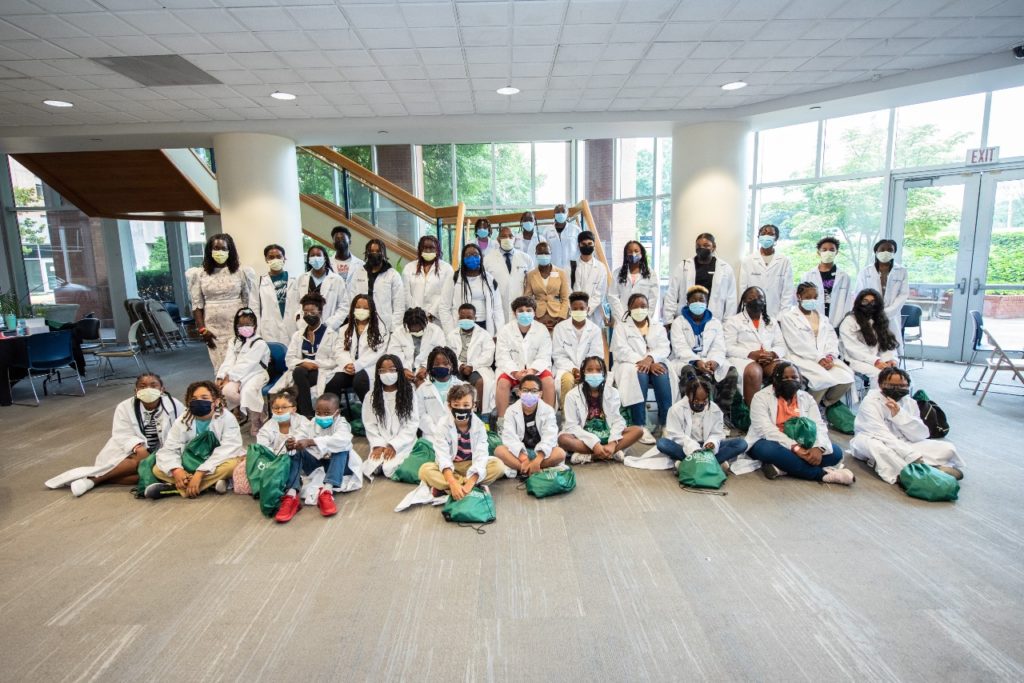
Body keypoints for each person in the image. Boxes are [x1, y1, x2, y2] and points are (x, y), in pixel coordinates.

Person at [45, 373, 183, 496]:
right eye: (143, 386)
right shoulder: (124, 407)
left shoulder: (175, 405)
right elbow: (121, 433)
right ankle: (94, 480)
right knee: (139, 462)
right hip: (134, 452)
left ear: (162, 389)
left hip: (161, 450)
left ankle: (100, 479)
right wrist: (137, 447)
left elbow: (182, 430)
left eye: (153, 385)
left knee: (151, 473)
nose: (148, 389)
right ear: (136, 391)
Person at [850, 367, 963, 484]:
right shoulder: (870, 402)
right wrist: (912, 456)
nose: (897, 389)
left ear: (908, 385)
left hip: (905, 442)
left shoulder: (909, 402)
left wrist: (899, 415)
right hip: (874, 439)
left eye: (901, 386)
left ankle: (921, 468)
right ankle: (918, 471)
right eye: (891, 386)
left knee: (947, 448)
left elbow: (921, 434)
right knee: (879, 449)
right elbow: (881, 434)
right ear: (880, 385)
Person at [746, 363, 854, 485]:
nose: (790, 381)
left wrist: (818, 447)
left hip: (802, 442)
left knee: (836, 452)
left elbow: (818, 424)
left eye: (794, 377)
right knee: (768, 450)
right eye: (785, 378)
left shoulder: (806, 397)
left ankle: (784, 467)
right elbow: (765, 430)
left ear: (800, 379)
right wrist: (795, 448)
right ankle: (822, 475)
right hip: (771, 441)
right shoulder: (761, 397)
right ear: (776, 379)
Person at [147, 380, 246, 498]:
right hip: (191, 461)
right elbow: (169, 448)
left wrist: (200, 473)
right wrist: (177, 470)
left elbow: (228, 449)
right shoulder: (183, 420)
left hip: (215, 462)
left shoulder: (227, 418)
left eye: (204, 398)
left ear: (216, 402)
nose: (199, 401)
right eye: (194, 399)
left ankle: (177, 488)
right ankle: (210, 484)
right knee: (157, 469)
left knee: (232, 466)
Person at [419, 384, 506, 498]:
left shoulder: (479, 425)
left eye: (466, 405)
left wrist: (470, 482)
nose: (461, 409)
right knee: (424, 470)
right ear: (449, 406)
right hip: (452, 466)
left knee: (498, 466)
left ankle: (449, 489)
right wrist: (452, 482)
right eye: (456, 405)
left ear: (473, 406)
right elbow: (443, 457)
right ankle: (468, 487)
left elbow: (481, 455)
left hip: (471, 464)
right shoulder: (443, 424)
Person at [779, 282, 855, 409]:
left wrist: (830, 356)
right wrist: (819, 358)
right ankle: (807, 410)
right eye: (808, 297)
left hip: (826, 358)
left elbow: (832, 339)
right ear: (798, 296)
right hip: (801, 357)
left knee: (847, 378)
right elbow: (796, 344)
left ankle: (823, 405)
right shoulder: (789, 317)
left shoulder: (823, 318)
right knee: (822, 379)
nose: (812, 300)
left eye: (815, 297)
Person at [186, 232, 256, 369]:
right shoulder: (199, 274)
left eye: (224, 249)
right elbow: (197, 305)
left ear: (230, 251)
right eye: (216, 249)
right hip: (212, 329)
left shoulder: (241, 272)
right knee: (220, 367)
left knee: (240, 365)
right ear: (209, 251)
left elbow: (248, 302)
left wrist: (249, 327)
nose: (220, 252)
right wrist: (202, 329)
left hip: (237, 326)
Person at [610, 293, 672, 444]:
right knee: (640, 373)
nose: (640, 309)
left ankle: (666, 424)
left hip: (655, 362)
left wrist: (650, 359)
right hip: (630, 364)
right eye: (636, 306)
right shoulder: (622, 327)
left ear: (648, 308)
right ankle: (640, 425)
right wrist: (643, 362)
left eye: (643, 306)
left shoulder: (658, 327)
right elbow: (621, 350)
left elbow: (664, 347)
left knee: (662, 373)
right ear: (629, 308)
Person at [558, 356, 642, 464]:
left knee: (638, 431)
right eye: (589, 370)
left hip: (607, 434)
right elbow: (572, 426)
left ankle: (592, 455)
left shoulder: (613, 392)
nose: (594, 373)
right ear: (583, 372)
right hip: (584, 436)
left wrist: (613, 442)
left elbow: (618, 420)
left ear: (604, 373)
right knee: (563, 439)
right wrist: (594, 443)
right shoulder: (572, 395)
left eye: (598, 370)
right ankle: (609, 453)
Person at [656, 376, 749, 474]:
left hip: (707, 447)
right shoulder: (675, 409)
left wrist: (712, 443)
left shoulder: (715, 409)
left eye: (704, 400)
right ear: (688, 395)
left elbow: (717, 433)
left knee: (741, 444)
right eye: (696, 400)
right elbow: (676, 436)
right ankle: (713, 463)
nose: (700, 403)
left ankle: (687, 463)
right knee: (662, 444)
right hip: (685, 446)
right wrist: (693, 448)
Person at [669, 285, 738, 415]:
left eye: (701, 300)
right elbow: (680, 347)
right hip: (686, 361)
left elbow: (718, 346)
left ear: (706, 303)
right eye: (694, 301)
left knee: (731, 372)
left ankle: (721, 415)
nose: (698, 303)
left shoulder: (715, 322)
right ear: (688, 302)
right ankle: (691, 413)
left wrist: (714, 362)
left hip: (709, 361)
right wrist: (697, 362)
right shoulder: (679, 322)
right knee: (689, 372)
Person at [269, 292, 339, 418]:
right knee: (299, 372)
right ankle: (307, 414)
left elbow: (334, 360)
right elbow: (289, 359)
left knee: (297, 379)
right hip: (302, 371)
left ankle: (303, 413)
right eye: (305, 312)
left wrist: (314, 364)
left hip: (322, 371)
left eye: (312, 311)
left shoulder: (331, 334)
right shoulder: (298, 335)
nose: (308, 315)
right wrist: (303, 363)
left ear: (320, 311)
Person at [254, 389, 312, 522]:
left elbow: (302, 440)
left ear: (294, 409)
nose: (279, 411)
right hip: (276, 462)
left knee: (295, 450)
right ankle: (289, 494)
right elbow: (262, 448)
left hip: (301, 463)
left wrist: (288, 449)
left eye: (284, 407)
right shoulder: (268, 426)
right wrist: (278, 458)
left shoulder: (303, 422)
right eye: (275, 408)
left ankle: (291, 494)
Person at [724, 286, 787, 406]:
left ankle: (781, 409)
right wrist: (751, 354)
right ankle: (753, 411)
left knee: (783, 370)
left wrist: (772, 354)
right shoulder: (733, 321)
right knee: (754, 372)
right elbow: (728, 347)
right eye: (751, 297)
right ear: (744, 301)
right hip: (744, 359)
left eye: (760, 297)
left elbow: (781, 345)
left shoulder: (771, 322)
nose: (756, 300)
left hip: (768, 358)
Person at [495, 296, 555, 422]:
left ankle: (549, 420)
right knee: (502, 384)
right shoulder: (505, 330)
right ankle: (502, 421)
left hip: (536, 370)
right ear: (514, 313)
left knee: (549, 382)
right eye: (520, 311)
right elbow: (502, 356)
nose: (525, 313)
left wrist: (533, 370)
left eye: (528, 310)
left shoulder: (542, 330)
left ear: (534, 312)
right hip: (513, 371)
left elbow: (544, 355)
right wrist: (515, 372)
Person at [494, 374, 566, 476]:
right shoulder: (511, 411)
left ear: (540, 394)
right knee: (499, 451)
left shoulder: (548, 410)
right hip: (520, 454)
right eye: (525, 390)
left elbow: (550, 436)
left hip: (541, 454)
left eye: (534, 391)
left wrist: (538, 459)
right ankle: (530, 469)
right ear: (519, 392)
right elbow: (509, 437)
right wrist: (524, 459)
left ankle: (526, 469)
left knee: (560, 453)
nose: (529, 394)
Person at [361, 355, 420, 479]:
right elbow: (369, 424)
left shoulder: (409, 392)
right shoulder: (371, 396)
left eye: (392, 369)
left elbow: (412, 423)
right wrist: (378, 445)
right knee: (373, 464)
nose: (387, 373)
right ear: (378, 373)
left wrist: (394, 445)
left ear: (399, 371)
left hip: (403, 441)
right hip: (381, 439)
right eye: (383, 370)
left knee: (390, 467)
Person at [325, 294, 388, 405]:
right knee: (333, 381)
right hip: (348, 368)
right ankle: (333, 413)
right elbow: (339, 350)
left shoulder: (380, 329)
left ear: (371, 310)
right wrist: (347, 364)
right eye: (358, 307)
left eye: (365, 308)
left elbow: (377, 353)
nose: (361, 310)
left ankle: (372, 411)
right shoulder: (345, 329)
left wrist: (357, 365)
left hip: (368, 368)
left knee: (359, 381)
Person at [663, 232, 737, 325]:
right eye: (698, 245)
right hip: (686, 317)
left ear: (714, 247)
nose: (702, 248)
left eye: (706, 245)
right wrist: (668, 320)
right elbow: (672, 294)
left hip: (714, 319)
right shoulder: (684, 266)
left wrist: (728, 324)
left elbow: (731, 300)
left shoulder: (725, 269)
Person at [215, 307, 270, 423]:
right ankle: (257, 410)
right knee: (227, 391)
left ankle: (256, 422)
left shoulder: (260, 343)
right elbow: (229, 360)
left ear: (255, 325)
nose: (245, 327)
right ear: (236, 326)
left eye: (248, 324)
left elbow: (247, 364)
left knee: (247, 392)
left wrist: (229, 378)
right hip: (237, 375)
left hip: (256, 373)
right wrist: (221, 376)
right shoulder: (234, 341)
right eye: (241, 325)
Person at [852, 239, 909, 345]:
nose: (886, 252)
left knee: (890, 343)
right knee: (870, 342)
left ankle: (891, 361)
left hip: (891, 314)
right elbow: (859, 293)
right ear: (876, 252)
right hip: (869, 312)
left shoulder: (901, 271)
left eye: (889, 250)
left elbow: (903, 294)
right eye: (882, 249)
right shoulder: (865, 271)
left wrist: (889, 311)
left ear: (894, 253)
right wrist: (869, 310)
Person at [552, 292, 605, 408]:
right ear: (570, 310)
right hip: (566, 369)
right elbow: (558, 355)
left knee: (592, 381)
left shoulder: (594, 330)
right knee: (567, 381)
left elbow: (596, 355)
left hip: (589, 369)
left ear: (588, 309)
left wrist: (583, 370)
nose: (578, 311)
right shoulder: (560, 328)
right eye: (575, 309)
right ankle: (567, 421)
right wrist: (574, 369)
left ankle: (590, 417)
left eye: (582, 308)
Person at [839, 288, 900, 386]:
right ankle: (875, 401)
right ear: (859, 303)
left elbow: (887, 344)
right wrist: (875, 361)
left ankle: (894, 400)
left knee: (897, 375)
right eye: (865, 301)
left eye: (873, 302)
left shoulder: (880, 320)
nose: (869, 305)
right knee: (880, 375)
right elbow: (853, 349)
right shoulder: (850, 321)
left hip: (878, 359)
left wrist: (889, 359)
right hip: (856, 360)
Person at [441, 243, 504, 334]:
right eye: (468, 255)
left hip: (484, 325)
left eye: (475, 254)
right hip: (461, 325)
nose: (472, 257)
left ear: (481, 257)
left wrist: (499, 333)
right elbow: (444, 307)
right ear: (463, 258)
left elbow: (497, 308)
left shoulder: (489, 279)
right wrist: (450, 332)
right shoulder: (454, 278)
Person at [344, 238, 405, 330]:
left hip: (385, 326)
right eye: (371, 251)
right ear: (367, 253)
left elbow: (399, 306)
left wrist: (394, 329)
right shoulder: (358, 273)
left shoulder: (393, 275)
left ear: (383, 253)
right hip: (361, 322)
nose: (374, 254)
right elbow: (351, 300)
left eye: (378, 251)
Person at [447, 303, 496, 416]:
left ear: (475, 318)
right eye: (462, 317)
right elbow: (449, 355)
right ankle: (454, 413)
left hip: (477, 368)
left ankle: (478, 414)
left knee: (480, 382)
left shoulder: (484, 334)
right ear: (458, 317)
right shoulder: (451, 335)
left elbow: (488, 355)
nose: (465, 319)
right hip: (457, 367)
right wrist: (460, 365)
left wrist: (472, 366)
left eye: (469, 317)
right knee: (451, 383)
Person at [739, 224, 795, 318]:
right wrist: (745, 310)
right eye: (763, 233)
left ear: (776, 238)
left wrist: (783, 315)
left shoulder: (784, 261)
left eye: (770, 234)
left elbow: (787, 291)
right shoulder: (748, 260)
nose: (766, 236)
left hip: (776, 312)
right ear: (759, 237)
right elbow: (743, 289)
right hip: (752, 311)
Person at [288, 244, 347, 331]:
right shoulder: (301, 279)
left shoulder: (336, 279)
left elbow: (344, 306)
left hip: (329, 327)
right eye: (312, 255)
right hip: (304, 326)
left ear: (325, 258)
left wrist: (329, 324)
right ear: (308, 259)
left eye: (318, 255)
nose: (315, 258)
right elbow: (294, 304)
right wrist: (300, 320)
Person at [386, 306, 447, 385]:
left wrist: (425, 367)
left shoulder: (436, 331)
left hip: (429, 371)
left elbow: (440, 353)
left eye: (419, 329)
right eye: (413, 329)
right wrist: (404, 369)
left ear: (425, 322)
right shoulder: (398, 333)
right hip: (404, 372)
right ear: (406, 324)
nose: (416, 331)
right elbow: (393, 354)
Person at [402, 235, 453, 324]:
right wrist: (417, 314)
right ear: (419, 249)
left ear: (437, 250)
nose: (428, 251)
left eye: (432, 248)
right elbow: (406, 294)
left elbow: (446, 296)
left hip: (436, 318)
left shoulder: (447, 269)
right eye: (425, 248)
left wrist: (431, 314)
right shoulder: (408, 268)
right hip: (414, 318)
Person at [802, 236, 851, 328]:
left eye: (832, 250)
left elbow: (847, 303)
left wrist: (844, 324)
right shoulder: (808, 276)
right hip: (813, 322)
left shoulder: (844, 277)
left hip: (837, 322)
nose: (828, 252)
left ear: (837, 252)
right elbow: (803, 301)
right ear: (818, 252)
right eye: (824, 250)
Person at [415, 346, 465, 434]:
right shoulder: (423, 389)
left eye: (445, 364)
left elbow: (465, 412)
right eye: (437, 364)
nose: (441, 366)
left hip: (456, 434)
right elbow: (421, 415)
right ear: (431, 367)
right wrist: (435, 431)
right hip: (431, 435)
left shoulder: (462, 387)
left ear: (452, 366)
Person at [483, 225, 531, 315]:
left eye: (510, 236)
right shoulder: (488, 259)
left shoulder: (525, 258)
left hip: (520, 306)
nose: (507, 239)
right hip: (497, 307)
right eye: (503, 236)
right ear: (498, 239)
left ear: (515, 239)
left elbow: (531, 282)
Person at [255, 243, 296, 345]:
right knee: (275, 357)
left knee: (295, 357)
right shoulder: (259, 282)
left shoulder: (295, 280)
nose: (275, 259)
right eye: (271, 257)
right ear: (266, 259)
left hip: (292, 326)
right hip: (270, 329)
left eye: (278, 256)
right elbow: (255, 308)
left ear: (284, 258)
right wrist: (257, 333)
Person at [609, 240, 660, 322]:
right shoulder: (617, 273)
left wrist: (645, 317)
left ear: (642, 254)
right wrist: (621, 318)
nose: (633, 254)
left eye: (636, 251)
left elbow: (653, 298)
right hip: (622, 318)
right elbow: (613, 297)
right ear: (625, 255)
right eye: (629, 251)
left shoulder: (651, 274)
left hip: (643, 318)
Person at [524, 241, 570, 331]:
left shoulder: (561, 273)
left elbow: (566, 298)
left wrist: (561, 317)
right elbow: (527, 299)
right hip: (538, 317)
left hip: (557, 316)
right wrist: (533, 318)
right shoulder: (531, 274)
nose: (543, 255)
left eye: (546, 253)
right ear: (536, 254)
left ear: (551, 254)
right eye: (540, 253)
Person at [571, 231, 610, 325]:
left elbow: (600, 293)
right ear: (578, 245)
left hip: (593, 312)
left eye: (589, 244)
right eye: (583, 244)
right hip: (575, 311)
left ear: (594, 244)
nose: (586, 246)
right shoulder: (571, 266)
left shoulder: (601, 267)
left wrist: (587, 308)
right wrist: (578, 308)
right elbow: (569, 289)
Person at [542, 203, 580, 271]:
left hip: (572, 269)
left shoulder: (576, 230)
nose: (560, 214)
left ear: (567, 214)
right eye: (558, 212)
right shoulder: (547, 231)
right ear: (554, 215)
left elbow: (581, 248)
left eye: (563, 211)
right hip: (553, 268)